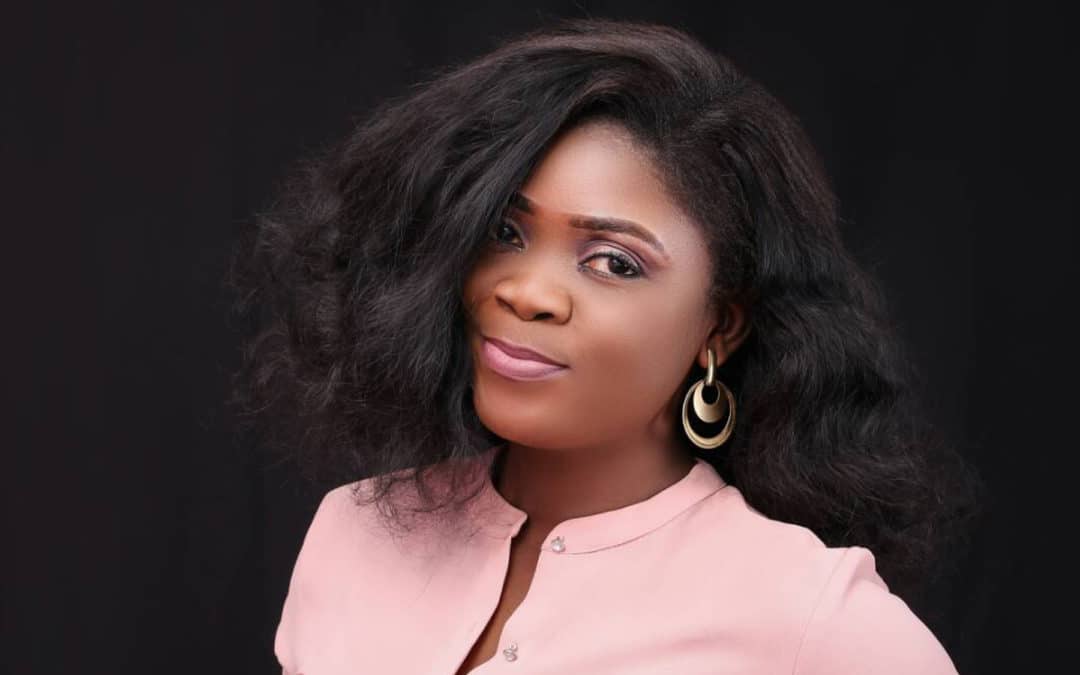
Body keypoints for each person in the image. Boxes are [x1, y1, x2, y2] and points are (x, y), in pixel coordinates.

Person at [230, 16, 981, 674]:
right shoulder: (353, 530)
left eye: (614, 262)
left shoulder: (812, 618)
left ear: (721, 323)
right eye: (506, 232)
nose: (526, 291)